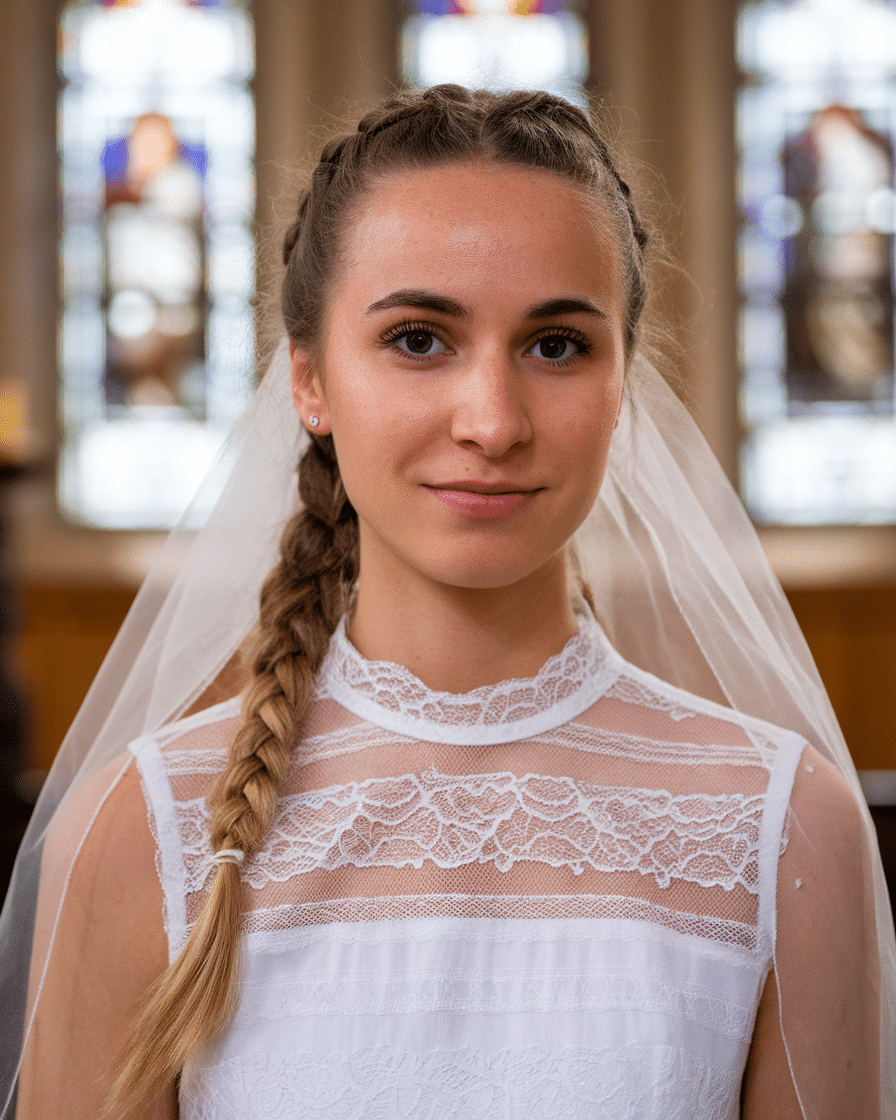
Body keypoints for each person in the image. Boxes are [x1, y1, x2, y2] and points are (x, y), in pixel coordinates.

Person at [2, 85, 893, 1120]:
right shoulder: (140, 833)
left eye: (555, 344)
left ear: (622, 382)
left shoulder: (784, 830)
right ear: (308, 381)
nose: (492, 420)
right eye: (419, 339)